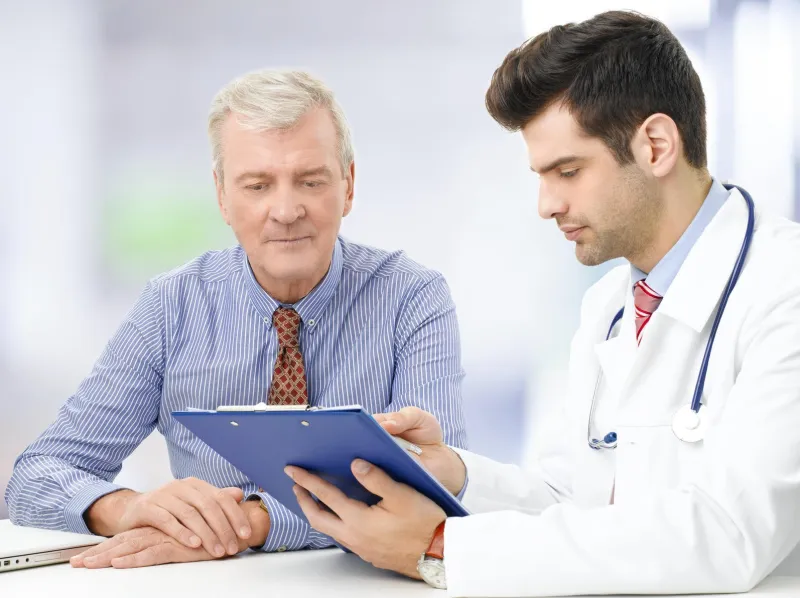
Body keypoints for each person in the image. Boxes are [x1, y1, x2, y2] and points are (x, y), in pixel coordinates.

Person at [286, 10, 800, 596]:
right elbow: (571, 502)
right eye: (541, 175)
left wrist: (438, 547)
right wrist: (454, 472)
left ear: (656, 146)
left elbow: (728, 536)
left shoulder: (785, 288)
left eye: (568, 171)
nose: (546, 204)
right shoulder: (610, 305)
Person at [5, 69, 468, 570]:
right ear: (222, 194)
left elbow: (437, 484)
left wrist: (251, 523)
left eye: (310, 181)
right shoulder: (171, 306)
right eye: (257, 185)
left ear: (348, 185)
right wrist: (131, 508)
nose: (286, 210)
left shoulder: (413, 298)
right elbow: (36, 476)